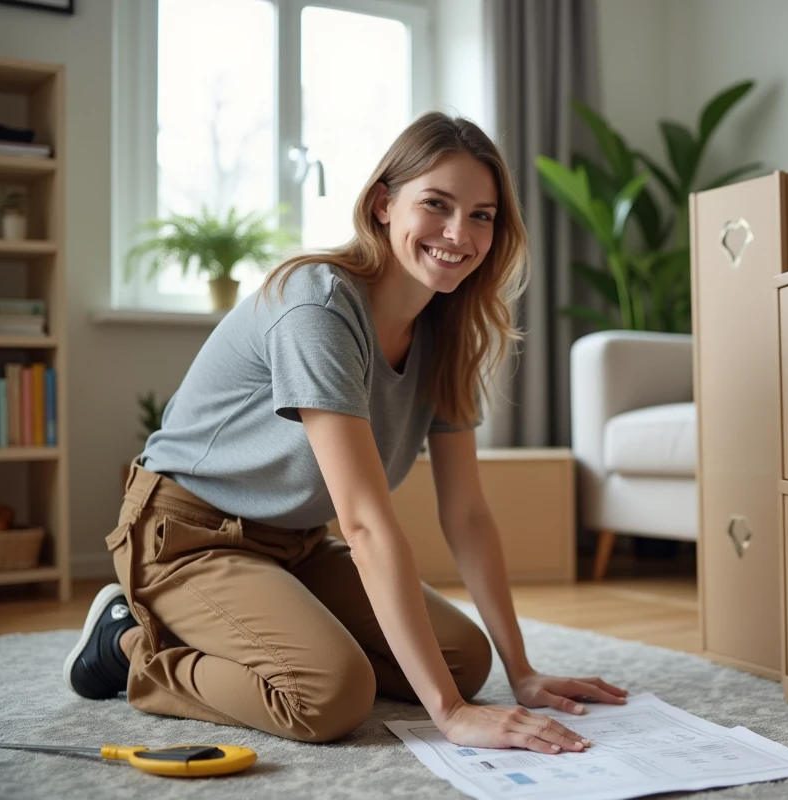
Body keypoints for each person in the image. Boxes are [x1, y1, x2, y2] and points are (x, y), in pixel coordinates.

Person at [63, 111, 628, 753]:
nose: (458, 233)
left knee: (464, 660)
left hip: (296, 545)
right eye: (436, 205)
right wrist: (449, 715)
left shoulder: (452, 333)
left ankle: (261, 624)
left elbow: (467, 514)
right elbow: (362, 523)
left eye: (482, 215)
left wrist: (520, 672)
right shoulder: (320, 306)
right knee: (330, 696)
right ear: (384, 204)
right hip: (189, 536)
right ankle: (125, 644)